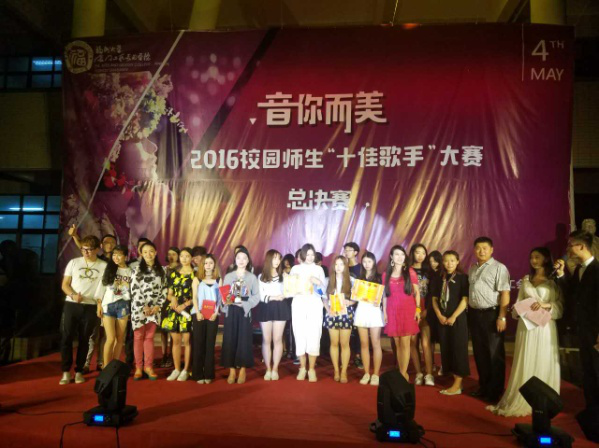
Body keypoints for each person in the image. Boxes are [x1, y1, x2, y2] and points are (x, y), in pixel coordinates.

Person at [488, 247, 563, 415]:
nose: (533, 261)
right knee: (525, 358)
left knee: (543, 358)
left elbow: (560, 306)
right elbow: (518, 301)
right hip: (526, 325)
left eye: (537, 257)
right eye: (531, 258)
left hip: (544, 325)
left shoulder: (554, 280)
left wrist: (545, 304)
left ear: (546, 258)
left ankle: (544, 399)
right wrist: (519, 308)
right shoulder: (526, 279)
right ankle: (521, 396)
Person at [555, 230, 599, 441]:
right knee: (588, 372)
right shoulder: (580, 269)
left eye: (571, 245)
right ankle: (592, 411)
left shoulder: (597, 269)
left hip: (595, 333)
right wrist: (562, 274)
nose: (568, 249)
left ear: (581, 246)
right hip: (582, 331)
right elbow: (572, 294)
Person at [59, 235, 107, 385]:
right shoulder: (74, 262)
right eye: (83, 249)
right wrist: (73, 295)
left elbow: (104, 288)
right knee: (66, 337)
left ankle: (79, 371)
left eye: (90, 250)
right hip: (72, 304)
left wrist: (99, 305)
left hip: (91, 306)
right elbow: (65, 284)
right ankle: (66, 371)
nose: (86, 252)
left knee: (85, 339)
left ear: (97, 249)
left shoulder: (103, 265)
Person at [468, 236, 511, 402]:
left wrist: (502, 317)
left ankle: (495, 391)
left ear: (491, 250)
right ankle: (484, 386)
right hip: (474, 314)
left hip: (492, 314)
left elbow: (505, 293)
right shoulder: (472, 268)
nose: (481, 251)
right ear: (474, 250)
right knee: (480, 353)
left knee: (495, 354)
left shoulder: (499, 267)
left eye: (485, 248)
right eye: (478, 248)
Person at [431, 251, 470, 395]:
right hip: (442, 319)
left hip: (457, 319)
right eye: (446, 260)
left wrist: (453, 316)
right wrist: (439, 315)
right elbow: (434, 299)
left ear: (458, 261)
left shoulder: (462, 278)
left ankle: (457, 385)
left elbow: (465, 299)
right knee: (446, 349)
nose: (449, 263)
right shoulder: (438, 278)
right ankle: (455, 380)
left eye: (452, 260)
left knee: (458, 350)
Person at [221, 248, 260, 384]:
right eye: (239, 258)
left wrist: (245, 304)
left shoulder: (252, 277)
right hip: (231, 311)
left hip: (244, 311)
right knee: (230, 339)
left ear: (248, 260)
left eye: (244, 258)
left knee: (244, 340)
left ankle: (243, 370)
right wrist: (227, 300)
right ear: (235, 260)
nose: (241, 261)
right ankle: (232, 370)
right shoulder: (229, 276)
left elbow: (256, 296)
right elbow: (224, 295)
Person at [383, 245, 421, 381]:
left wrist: (418, 309)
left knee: (405, 343)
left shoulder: (410, 272)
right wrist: (384, 312)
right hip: (392, 311)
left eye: (402, 254)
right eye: (396, 254)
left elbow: (417, 292)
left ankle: (403, 374)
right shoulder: (386, 274)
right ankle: (401, 372)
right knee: (397, 343)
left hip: (407, 311)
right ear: (391, 257)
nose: (400, 257)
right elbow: (385, 295)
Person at [130, 241, 166, 380]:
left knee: (150, 338)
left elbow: (164, 290)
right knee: (138, 337)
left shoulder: (162, 270)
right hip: (139, 309)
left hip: (155, 309)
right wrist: (143, 306)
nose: (148, 254)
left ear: (155, 252)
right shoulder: (136, 270)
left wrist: (157, 306)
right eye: (145, 252)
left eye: (151, 251)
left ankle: (148, 367)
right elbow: (135, 290)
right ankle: (138, 367)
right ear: (141, 254)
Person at [290, 244, 326, 382]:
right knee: (299, 334)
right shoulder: (295, 269)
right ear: (302, 255)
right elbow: (289, 290)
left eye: (312, 255)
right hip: (299, 304)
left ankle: (311, 369)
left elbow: (323, 293)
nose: (310, 257)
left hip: (314, 305)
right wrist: (292, 285)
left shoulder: (319, 269)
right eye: (308, 254)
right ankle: (302, 368)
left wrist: (318, 282)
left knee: (314, 334)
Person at [95, 245, 132, 367]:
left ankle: (114, 365)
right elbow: (101, 287)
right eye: (114, 255)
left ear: (125, 256)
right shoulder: (109, 269)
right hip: (108, 304)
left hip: (123, 305)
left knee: (120, 338)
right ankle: (106, 366)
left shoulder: (130, 271)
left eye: (119, 255)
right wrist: (99, 305)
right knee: (110, 338)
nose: (116, 257)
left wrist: (124, 285)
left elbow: (133, 290)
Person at [163, 247, 195, 381]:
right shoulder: (173, 274)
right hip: (175, 310)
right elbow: (169, 294)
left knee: (187, 341)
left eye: (187, 256)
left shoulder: (196, 274)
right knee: (175, 341)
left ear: (192, 258)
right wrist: (173, 299)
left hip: (188, 311)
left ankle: (186, 370)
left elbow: (198, 296)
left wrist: (186, 305)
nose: (184, 259)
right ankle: (176, 369)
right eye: (182, 256)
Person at [258, 249, 290, 381]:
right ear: (268, 259)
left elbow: (289, 291)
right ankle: (268, 369)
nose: (277, 261)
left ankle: (275, 368)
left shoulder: (284, 276)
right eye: (274, 258)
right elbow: (260, 295)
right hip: (266, 307)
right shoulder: (261, 276)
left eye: (278, 258)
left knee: (277, 339)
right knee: (266, 339)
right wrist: (273, 297)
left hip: (280, 307)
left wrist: (285, 294)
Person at [323, 256, 356, 383]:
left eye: (341, 264)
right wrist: (328, 310)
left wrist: (350, 302)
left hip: (346, 313)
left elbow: (357, 297)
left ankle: (344, 371)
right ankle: (336, 370)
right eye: (336, 264)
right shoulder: (328, 280)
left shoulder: (351, 280)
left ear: (345, 266)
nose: (338, 267)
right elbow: (324, 298)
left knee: (345, 343)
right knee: (334, 343)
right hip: (332, 313)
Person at [354, 251, 384, 386]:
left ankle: (376, 374)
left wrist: (380, 302)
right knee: (364, 344)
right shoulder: (358, 278)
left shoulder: (379, 277)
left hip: (374, 312)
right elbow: (355, 297)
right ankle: (366, 373)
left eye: (369, 261)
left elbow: (384, 296)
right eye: (364, 262)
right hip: (361, 311)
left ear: (374, 262)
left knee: (376, 343)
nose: (367, 264)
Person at [192, 254, 222, 384]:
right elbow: (194, 297)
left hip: (212, 315)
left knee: (210, 344)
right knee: (198, 344)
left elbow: (220, 298)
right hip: (199, 314)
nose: (208, 265)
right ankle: (198, 374)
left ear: (214, 265)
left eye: (210, 263)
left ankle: (209, 373)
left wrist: (216, 312)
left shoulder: (218, 280)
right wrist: (197, 312)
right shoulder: (197, 279)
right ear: (202, 265)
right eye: (206, 263)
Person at [409, 244, 434, 386]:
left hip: (425, 310)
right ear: (412, 253)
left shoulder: (429, 271)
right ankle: (419, 373)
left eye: (423, 253)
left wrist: (427, 310)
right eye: (417, 252)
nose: (420, 256)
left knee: (426, 343)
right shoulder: (407, 270)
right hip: (410, 310)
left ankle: (429, 374)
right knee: (413, 343)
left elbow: (433, 292)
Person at [343, 242, 363, 369]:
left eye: (349, 250)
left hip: (358, 304)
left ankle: (358, 356)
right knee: (346, 331)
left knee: (358, 331)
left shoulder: (361, 268)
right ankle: (346, 357)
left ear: (356, 252)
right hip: (344, 303)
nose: (346, 252)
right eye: (345, 250)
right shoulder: (342, 266)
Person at [160, 247, 180, 368]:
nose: (171, 256)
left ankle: (173, 355)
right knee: (163, 330)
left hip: (176, 301)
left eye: (174, 254)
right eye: (169, 254)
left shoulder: (182, 269)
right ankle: (164, 354)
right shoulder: (164, 269)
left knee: (173, 329)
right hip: (164, 301)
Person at [427, 250, 443, 375]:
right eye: (431, 261)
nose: (433, 264)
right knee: (430, 339)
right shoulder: (428, 274)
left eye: (435, 261)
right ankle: (431, 363)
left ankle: (444, 364)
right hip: (429, 309)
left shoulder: (444, 274)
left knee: (443, 339)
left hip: (441, 309)